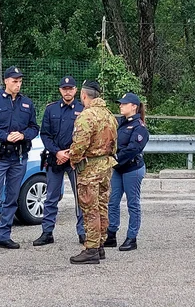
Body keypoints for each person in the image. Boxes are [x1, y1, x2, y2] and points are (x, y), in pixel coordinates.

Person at [0, 66, 39, 255]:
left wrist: (22, 135)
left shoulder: (27, 103)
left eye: (20, 81)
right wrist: (6, 136)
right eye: (14, 81)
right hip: (0, 157)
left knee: (12, 199)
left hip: (19, 157)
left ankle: (4, 236)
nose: (18, 84)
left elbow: (34, 128)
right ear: (6, 81)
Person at [68, 80, 118, 264]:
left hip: (90, 169)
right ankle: (100, 245)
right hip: (106, 166)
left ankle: (91, 249)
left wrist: (73, 159)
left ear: (83, 95)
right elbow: (114, 143)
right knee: (102, 206)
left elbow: (79, 145)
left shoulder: (86, 116)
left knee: (90, 208)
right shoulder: (109, 115)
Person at [33, 76, 86, 247]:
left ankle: (83, 232)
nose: (68, 91)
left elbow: (84, 135)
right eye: (65, 88)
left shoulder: (83, 109)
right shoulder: (51, 109)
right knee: (51, 198)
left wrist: (70, 153)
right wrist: (57, 152)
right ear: (60, 90)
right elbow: (45, 134)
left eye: (71, 88)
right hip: (55, 158)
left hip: (74, 160)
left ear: (76, 90)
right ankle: (47, 232)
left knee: (80, 198)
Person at [105, 92, 149, 252]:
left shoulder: (140, 127)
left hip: (132, 169)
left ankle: (132, 238)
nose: (120, 106)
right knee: (113, 201)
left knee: (133, 204)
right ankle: (111, 234)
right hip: (118, 169)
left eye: (124, 103)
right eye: (121, 103)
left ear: (134, 107)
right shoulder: (120, 123)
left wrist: (113, 158)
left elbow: (133, 149)